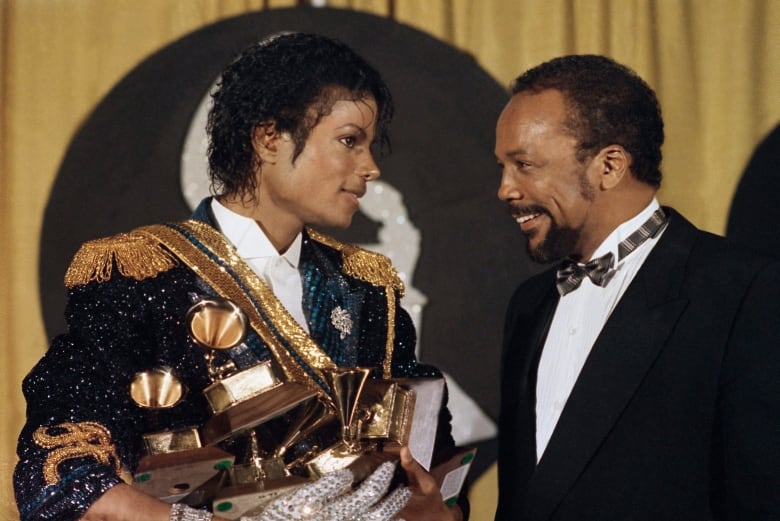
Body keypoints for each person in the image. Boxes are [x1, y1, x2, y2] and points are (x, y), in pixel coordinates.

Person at [14, 33, 464, 521]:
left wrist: (434, 508)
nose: (371, 168)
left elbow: (437, 473)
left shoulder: (368, 289)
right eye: (349, 141)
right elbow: (61, 470)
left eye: (369, 145)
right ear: (269, 138)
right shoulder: (140, 274)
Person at [493, 54, 780, 520]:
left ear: (609, 166)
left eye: (525, 165)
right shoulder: (529, 305)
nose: (505, 189)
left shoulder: (745, 291)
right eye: (503, 167)